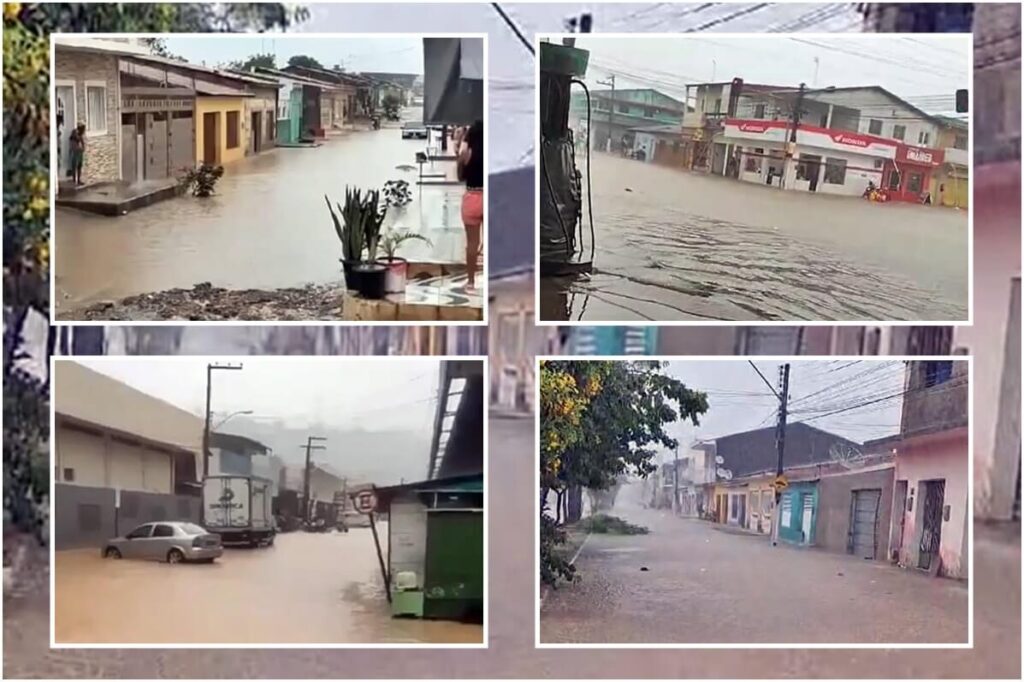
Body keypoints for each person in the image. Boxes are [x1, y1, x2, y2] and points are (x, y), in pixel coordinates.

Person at [456, 119, 483, 292]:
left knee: (472, 243)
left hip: (472, 197)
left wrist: (460, 155)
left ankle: (471, 283)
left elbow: (460, 177)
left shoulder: (467, 153)